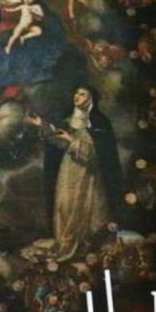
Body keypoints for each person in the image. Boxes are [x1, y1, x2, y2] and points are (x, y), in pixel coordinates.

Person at [25, 86, 123, 261]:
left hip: (88, 176)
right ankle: (64, 242)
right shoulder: (69, 119)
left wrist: (71, 140)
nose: (77, 97)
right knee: (63, 205)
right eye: (76, 93)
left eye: (82, 94)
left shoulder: (100, 123)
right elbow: (59, 141)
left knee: (82, 207)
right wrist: (42, 124)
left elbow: (97, 155)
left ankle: (80, 244)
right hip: (68, 170)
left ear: (91, 99)